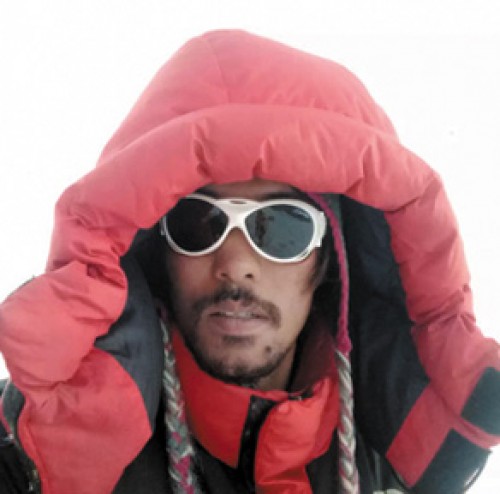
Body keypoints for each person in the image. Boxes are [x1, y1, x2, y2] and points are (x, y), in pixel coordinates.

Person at [0, 30, 499, 494]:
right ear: (158, 250)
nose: (236, 264)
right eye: (199, 222)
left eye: (282, 227)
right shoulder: (29, 449)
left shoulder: (389, 466)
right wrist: (39, 460)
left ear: (328, 260)